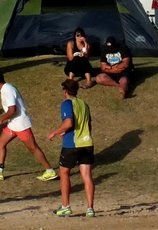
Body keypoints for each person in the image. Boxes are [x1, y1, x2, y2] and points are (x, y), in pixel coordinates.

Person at [0, 71, 58, 182]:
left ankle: (50, 171)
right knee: (1, 143)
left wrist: (2, 119)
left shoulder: (7, 90)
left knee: (33, 148)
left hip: (21, 125)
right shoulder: (6, 88)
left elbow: (12, 109)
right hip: (13, 124)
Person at [47, 78, 95, 218]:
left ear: (65, 91)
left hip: (72, 144)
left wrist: (55, 132)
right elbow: (88, 125)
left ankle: (65, 206)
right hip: (87, 143)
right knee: (87, 176)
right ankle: (90, 209)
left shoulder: (67, 103)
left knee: (64, 173)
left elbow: (68, 123)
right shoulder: (84, 104)